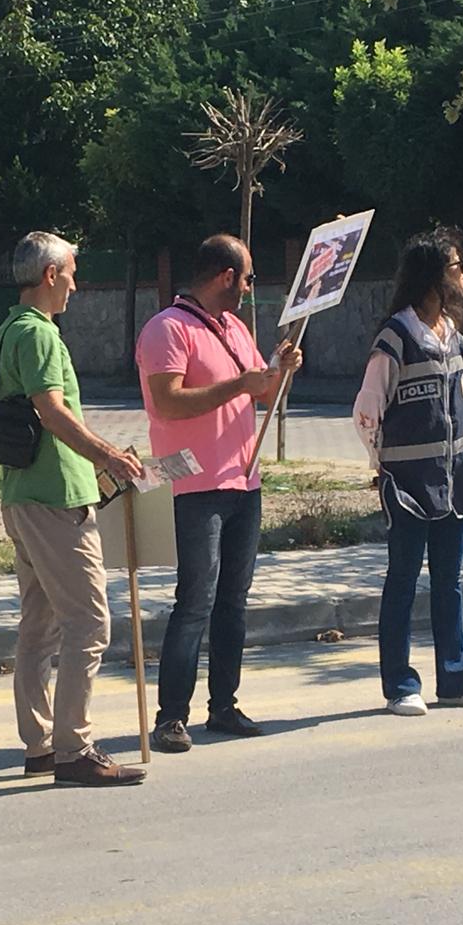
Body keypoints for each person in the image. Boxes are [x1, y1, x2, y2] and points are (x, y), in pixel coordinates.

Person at [0, 231, 148, 787]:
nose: (77, 284)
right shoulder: (39, 336)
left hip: (24, 495)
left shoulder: (9, 329)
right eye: (73, 273)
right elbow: (52, 413)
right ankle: (73, 749)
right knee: (88, 623)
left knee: (39, 626)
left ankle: (39, 744)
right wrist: (108, 454)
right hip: (56, 498)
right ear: (51, 274)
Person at [136, 234, 302, 754]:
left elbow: (264, 391)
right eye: (248, 278)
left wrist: (280, 370)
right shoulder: (167, 328)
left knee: (234, 599)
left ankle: (224, 704)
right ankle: (170, 717)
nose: (251, 290)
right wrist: (241, 385)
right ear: (226, 276)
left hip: (243, 482)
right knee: (196, 599)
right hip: (194, 486)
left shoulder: (234, 328)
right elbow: (169, 404)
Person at [353, 228, 463, 717]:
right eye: (456, 266)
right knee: (402, 580)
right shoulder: (396, 336)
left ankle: (457, 679)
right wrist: (381, 464)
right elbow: (367, 410)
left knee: (449, 582)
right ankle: (400, 685)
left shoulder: (453, 337)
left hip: (453, 479)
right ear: (433, 275)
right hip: (407, 483)